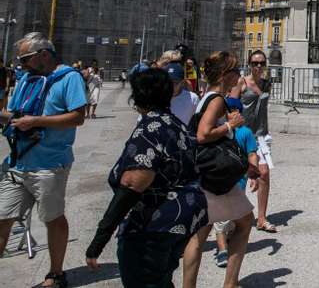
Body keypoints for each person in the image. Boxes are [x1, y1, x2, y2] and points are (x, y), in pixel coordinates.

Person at [84, 66, 207, 286]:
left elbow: (132, 184)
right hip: (180, 223)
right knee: (161, 279)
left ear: (137, 97)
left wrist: (98, 241)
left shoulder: (150, 129)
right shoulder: (175, 124)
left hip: (152, 226)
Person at [0, 33, 87, 288]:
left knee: (52, 218)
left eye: (25, 58)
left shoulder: (69, 78)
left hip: (49, 164)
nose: (21, 64)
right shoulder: (27, 78)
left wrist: (37, 121)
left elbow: (77, 117)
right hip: (18, 162)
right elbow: (15, 114)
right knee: (2, 217)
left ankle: (56, 273)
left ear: (44, 54)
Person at [181, 51, 256, 288]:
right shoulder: (216, 100)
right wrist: (230, 125)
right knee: (245, 223)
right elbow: (203, 134)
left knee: (199, 234)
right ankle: (230, 283)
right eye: (236, 71)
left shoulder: (206, 97)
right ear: (225, 75)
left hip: (203, 173)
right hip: (216, 176)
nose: (239, 75)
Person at [212, 97, 259, 269]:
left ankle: (228, 242)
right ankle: (222, 250)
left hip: (239, 182)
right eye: (228, 110)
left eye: (235, 109)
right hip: (221, 182)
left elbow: (252, 153)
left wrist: (254, 173)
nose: (232, 113)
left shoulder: (245, 133)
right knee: (222, 219)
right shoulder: (219, 131)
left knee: (233, 218)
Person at [240, 50, 277, 233]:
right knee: (240, 177)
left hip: (261, 135)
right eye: (255, 63)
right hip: (244, 134)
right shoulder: (242, 82)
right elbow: (231, 105)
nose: (258, 66)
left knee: (264, 173)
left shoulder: (267, 83)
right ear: (249, 64)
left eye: (262, 63)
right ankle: (231, 218)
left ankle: (261, 218)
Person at [166, 62, 199, 126]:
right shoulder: (158, 97)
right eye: (168, 82)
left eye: (175, 83)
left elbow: (197, 122)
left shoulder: (192, 98)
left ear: (182, 82)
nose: (171, 86)